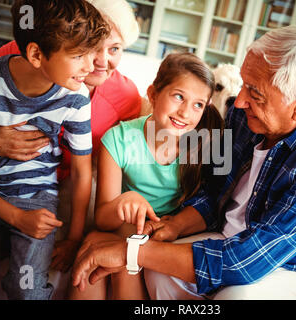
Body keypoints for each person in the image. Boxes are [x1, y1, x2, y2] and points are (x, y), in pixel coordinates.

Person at [71, 25, 296, 300]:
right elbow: (214, 192)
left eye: (254, 92)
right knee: (159, 270)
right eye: (244, 85)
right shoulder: (246, 117)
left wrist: (129, 251)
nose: (237, 102)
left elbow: (248, 260)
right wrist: (174, 225)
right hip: (233, 239)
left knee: (235, 297)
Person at [0, 0, 141, 299]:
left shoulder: (105, 96)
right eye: (89, 50)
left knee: (25, 284)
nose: (98, 62)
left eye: (115, 49)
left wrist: (75, 236)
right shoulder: (4, 67)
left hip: (42, 193)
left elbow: (101, 167)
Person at [69, 52, 224, 300]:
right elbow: (103, 220)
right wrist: (123, 201)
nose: (185, 112)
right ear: (152, 94)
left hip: (171, 234)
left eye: (198, 104)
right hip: (128, 229)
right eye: (178, 97)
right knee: (94, 243)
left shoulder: (206, 144)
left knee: (121, 264)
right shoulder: (118, 139)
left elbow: (212, 207)